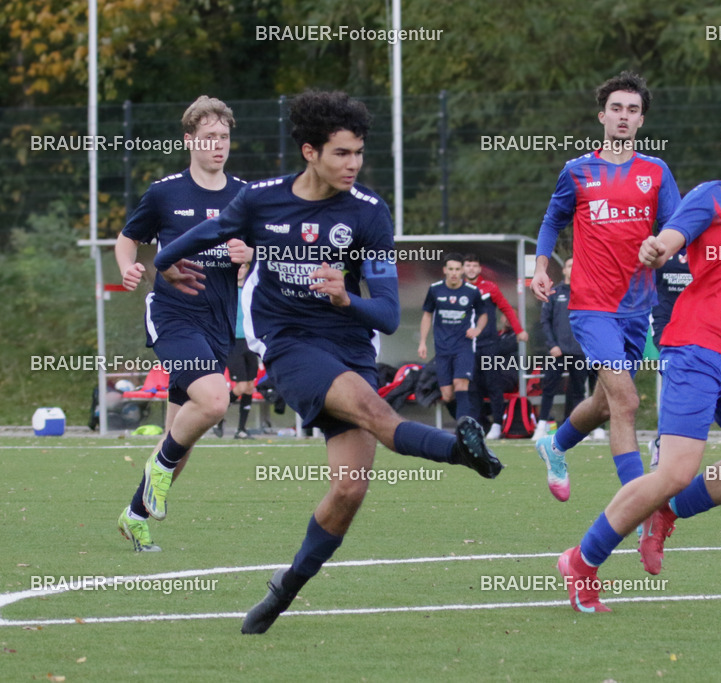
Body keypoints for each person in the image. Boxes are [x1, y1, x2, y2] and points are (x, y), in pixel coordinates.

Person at [146, 90, 503, 634]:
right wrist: (166, 264)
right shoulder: (262, 200)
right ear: (310, 151)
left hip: (351, 345)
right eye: (341, 153)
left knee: (350, 488)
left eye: (358, 152)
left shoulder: (368, 212)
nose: (353, 164)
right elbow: (198, 237)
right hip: (288, 343)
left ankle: (284, 589)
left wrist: (345, 298)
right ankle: (462, 449)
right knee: (376, 413)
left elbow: (385, 314)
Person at [556, 94, 721, 612]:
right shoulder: (711, 196)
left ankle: (665, 514)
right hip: (694, 352)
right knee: (672, 473)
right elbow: (672, 234)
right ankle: (582, 560)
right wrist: (657, 247)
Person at [532, 70, 680, 503]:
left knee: (604, 404)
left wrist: (663, 249)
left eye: (632, 110)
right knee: (627, 401)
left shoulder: (656, 172)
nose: (623, 116)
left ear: (641, 122)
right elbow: (552, 220)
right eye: (616, 108)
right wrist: (542, 266)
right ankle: (639, 506)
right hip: (591, 307)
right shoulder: (577, 171)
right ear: (602, 115)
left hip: (638, 308)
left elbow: (675, 227)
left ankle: (554, 445)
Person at [114, 95, 250, 553]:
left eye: (224, 137)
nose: (218, 145)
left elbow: (264, 252)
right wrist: (129, 268)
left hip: (217, 323)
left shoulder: (245, 196)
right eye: (208, 137)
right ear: (189, 140)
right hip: (174, 316)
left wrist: (250, 255)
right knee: (214, 401)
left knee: (181, 442)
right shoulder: (165, 192)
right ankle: (156, 472)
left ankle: (134, 516)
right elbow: (128, 239)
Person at [462, 253, 528, 439]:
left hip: (489, 344)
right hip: (467, 346)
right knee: (472, 387)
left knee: (494, 385)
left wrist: (519, 330)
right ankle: (477, 425)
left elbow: (506, 308)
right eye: (468, 265)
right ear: (463, 268)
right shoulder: (458, 288)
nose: (471, 269)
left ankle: (497, 424)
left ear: (480, 268)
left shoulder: (489, 288)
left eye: (475, 265)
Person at [418, 254, 488, 420]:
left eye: (457, 269)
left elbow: (483, 314)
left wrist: (477, 329)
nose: (454, 273)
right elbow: (427, 315)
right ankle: (468, 419)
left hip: (464, 346)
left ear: (462, 271)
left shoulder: (471, 292)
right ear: (445, 270)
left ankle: (463, 430)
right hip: (442, 348)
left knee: (460, 384)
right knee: (448, 395)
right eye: (451, 269)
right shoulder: (435, 289)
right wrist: (422, 342)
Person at [647, 247, 693, 469]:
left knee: (690, 388)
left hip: (700, 327)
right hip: (666, 326)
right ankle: (661, 444)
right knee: (673, 378)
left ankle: (677, 442)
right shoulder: (663, 245)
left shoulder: (706, 246)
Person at [534, 257, 589, 439]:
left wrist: (586, 345)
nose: (573, 269)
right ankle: (541, 427)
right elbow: (545, 321)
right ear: (564, 270)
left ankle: (577, 428)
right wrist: (552, 345)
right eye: (569, 266)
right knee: (549, 387)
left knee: (578, 390)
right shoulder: (554, 292)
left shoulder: (585, 293)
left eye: (576, 266)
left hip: (579, 350)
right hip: (557, 351)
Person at [215, 261, 261, 439]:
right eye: (237, 267)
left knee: (249, 387)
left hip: (251, 342)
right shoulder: (226, 291)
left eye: (243, 267)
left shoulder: (252, 290)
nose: (240, 270)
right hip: (233, 343)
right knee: (241, 387)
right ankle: (216, 418)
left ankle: (241, 430)